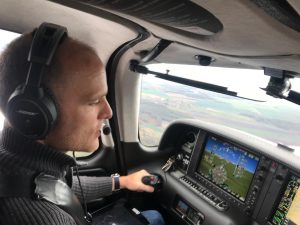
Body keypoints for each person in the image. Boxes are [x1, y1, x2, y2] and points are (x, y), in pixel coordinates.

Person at [0, 23, 164, 225]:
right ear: (37, 112)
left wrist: (123, 181)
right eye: (94, 101)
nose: (108, 112)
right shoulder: (46, 219)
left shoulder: (15, 164)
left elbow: (55, 188)